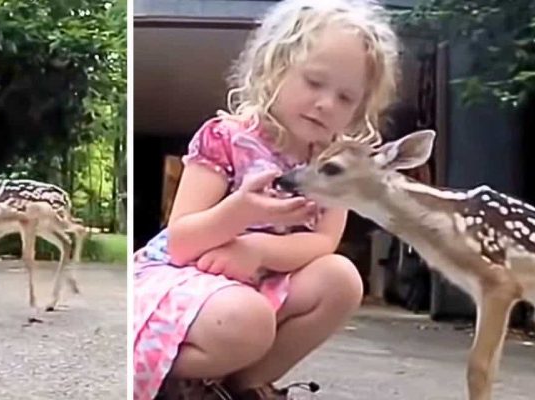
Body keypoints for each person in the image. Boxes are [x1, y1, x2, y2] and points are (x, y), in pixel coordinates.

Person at [133, 0, 400, 398]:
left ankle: (243, 385)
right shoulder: (226, 138)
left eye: (345, 98)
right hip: (186, 278)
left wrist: (258, 251)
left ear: (359, 110)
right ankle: (155, 371)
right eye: (314, 82)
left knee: (342, 279)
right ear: (275, 68)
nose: (326, 103)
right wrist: (240, 214)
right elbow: (181, 240)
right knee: (249, 321)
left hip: (259, 281)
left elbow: (322, 242)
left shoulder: (337, 164)